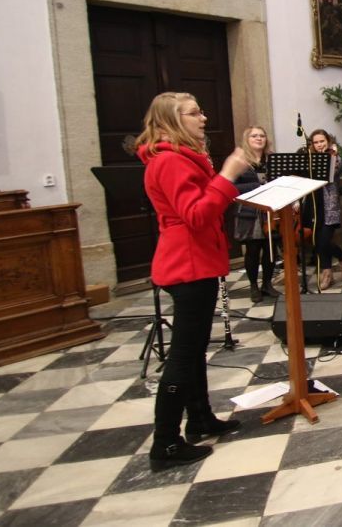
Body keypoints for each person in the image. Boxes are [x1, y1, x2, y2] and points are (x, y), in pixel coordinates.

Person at [135, 92, 246, 470]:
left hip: (197, 260)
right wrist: (227, 175)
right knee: (183, 354)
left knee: (195, 347)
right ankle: (165, 442)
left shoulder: (181, 157)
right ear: (172, 120)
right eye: (194, 113)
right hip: (188, 263)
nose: (203, 118)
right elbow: (197, 215)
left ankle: (200, 418)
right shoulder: (169, 161)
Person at [232, 126, 279, 303]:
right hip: (250, 212)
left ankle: (267, 284)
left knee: (270, 249)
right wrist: (258, 187)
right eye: (254, 136)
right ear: (247, 139)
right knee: (252, 250)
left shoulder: (272, 159)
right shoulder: (240, 161)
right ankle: (253, 286)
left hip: (271, 211)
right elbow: (232, 187)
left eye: (262, 136)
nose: (259, 138)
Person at [302, 129, 342, 291]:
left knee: (324, 241)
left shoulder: (334, 157)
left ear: (328, 141)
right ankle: (328, 272)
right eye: (316, 142)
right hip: (313, 204)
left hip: (329, 204)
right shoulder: (309, 157)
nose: (319, 145)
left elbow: (334, 171)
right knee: (317, 241)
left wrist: (331, 155)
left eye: (322, 141)